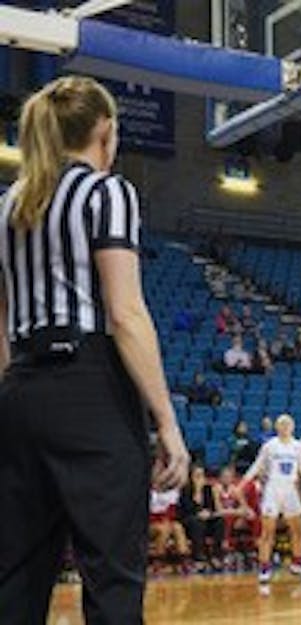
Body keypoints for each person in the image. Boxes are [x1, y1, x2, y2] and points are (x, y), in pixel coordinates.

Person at [0, 75, 189, 623]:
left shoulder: (7, 205)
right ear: (104, 131)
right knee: (112, 579)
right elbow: (126, 314)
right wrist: (167, 422)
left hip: (19, 393)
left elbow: (2, 324)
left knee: (15, 578)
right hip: (90, 389)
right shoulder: (107, 193)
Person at [238, 414, 301, 590]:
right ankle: (264, 568)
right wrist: (242, 484)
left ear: (293, 427)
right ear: (277, 427)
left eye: (288, 423)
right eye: (282, 424)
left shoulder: (298, 447)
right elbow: (256, 466)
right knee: (267, 532)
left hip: (291, 491)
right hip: (273, 489)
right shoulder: (269, 446)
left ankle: (297, 563)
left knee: (298, 530)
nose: (285, 426)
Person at [179, 464, 224, 571]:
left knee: (219, 521)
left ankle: (216, 556)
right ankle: (198, 558)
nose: (200, 478)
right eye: (197, 476)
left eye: (202, 475)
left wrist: (208, 513)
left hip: (205, 519)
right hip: (189, 520)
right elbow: (186, 510)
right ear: (191, 477)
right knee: (197, 522)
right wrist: (197, 493)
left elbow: (212, 508)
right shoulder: (186, 490)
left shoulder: (208, 489)